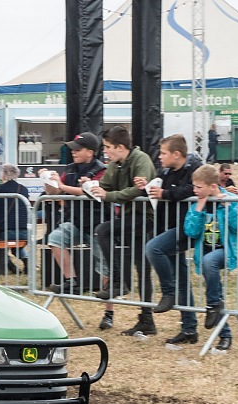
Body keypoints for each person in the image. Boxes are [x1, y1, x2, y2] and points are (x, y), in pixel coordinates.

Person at [90, 125, 157, 335]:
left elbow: (137, 190)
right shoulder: (115, 164)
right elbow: (106, 185)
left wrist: (108, 195)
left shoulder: (141, 159)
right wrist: (91, 187)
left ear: (120, 147)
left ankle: (119, 282)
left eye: (108, 147)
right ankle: (146, 320)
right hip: (131, 217)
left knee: (103, 231)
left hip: (147, 218)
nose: (106, 152)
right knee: (142, 268)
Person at [141, 134, 203, 345]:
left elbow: (192, 190)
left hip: (187, 227)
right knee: (182, 279)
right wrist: (145, 187)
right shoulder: (167, 171)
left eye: (164, 153)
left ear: (177, 154)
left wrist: (166, 193)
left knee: (153, 248)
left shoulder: (195, 168)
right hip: (170, 225)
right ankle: (189, 329)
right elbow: (159, 189)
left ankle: (168, 292)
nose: (160, 157)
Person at [184, 164, 238, 351]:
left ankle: (212, 306)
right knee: (215, 287)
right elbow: (190, 231)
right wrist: (199, 209)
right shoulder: (197, 202)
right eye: (194, 187)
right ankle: (225, 334)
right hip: (205, 252)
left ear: (212, 186)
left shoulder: (230, 199)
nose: (194, 191)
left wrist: (227, 206)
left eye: (198, 187)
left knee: (210, 262)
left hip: (226, 250)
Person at [40, 132, 109, 298]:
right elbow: (54, 192)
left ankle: (109, 310)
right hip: (76, 221)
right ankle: (71, 281)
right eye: (72, 149)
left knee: (105, 266)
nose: (73, 152)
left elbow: (87, 192)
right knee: (55, 238)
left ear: (90, 152)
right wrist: (47, 180)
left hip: (99, 224)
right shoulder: (70, 169)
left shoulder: (102, 169)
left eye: (78, 149)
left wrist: (62, 185)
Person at [0, 165, 29, 275]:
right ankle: (26, 260)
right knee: (17, 246)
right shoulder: (23, 189)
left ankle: (4, 267)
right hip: (24, 231)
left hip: (6, 230)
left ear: (4, 174)